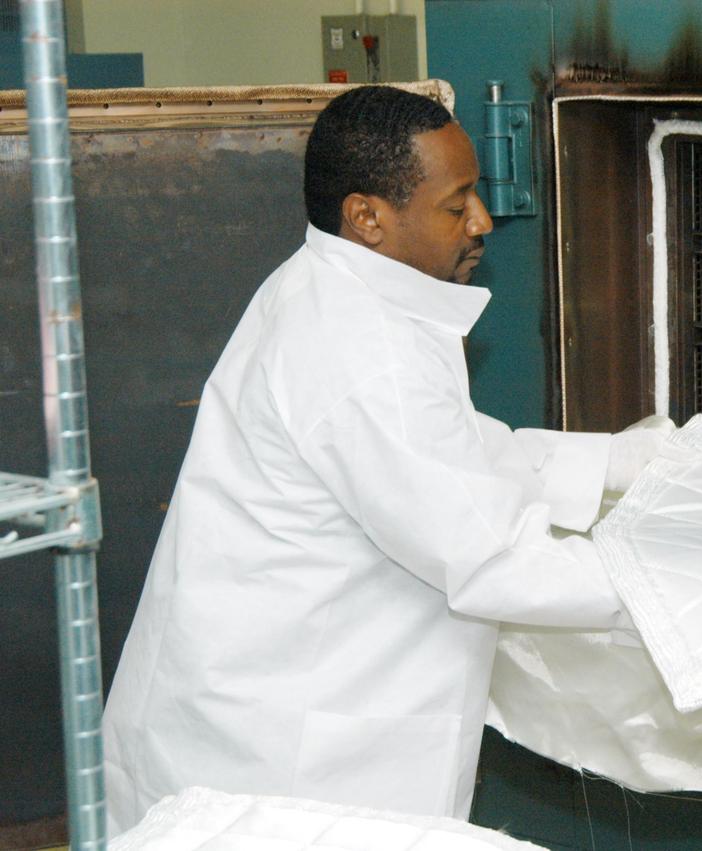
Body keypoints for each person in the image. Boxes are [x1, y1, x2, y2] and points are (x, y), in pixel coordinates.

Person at [102, 86, 665, 834]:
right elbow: (491, 558)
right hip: (281, 758)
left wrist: (631, 465)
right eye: (456, 202)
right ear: (367, 217)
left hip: (255, 717)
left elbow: (456, 454)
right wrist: (682, 583)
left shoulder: (336, 291)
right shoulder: (362, 351)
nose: (483, 221)